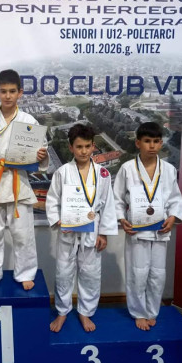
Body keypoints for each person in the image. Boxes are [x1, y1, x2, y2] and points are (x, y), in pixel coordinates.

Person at [0, 69, 49, 292]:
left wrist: (41, 155)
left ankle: (25, 273)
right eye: (3, 91)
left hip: (18, 181)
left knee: (23, 233)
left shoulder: (28, 120)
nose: (8, 96)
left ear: (20, 92)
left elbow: (42, 150)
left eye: (12, 91)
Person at [46, 124, 117, 333]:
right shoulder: (62, 173)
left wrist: (103, 233)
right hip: (68, 231)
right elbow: (52, 201)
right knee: (63, 273)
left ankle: (85, 312)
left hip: (92, 230)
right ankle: (62, 311)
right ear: (71, 147)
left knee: (90, 274)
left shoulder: (103, 174)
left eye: (87, 146)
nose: (84, 151)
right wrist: (58, 221)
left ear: (93, 146)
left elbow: (108, 204)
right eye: (79, 147)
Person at [113, 122, 182, 331]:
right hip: (137, 230)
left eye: (156, 141)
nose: (152, 146)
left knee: (157, 274)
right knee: (137, 272)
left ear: (161, 143)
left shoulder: (168, 170)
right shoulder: (127, 168)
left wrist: (173, 217)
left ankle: (152, 311)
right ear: (138, 143)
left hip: (161, 229)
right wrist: (121, 219)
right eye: (147, 141)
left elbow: (175, 198)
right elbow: (117, 199)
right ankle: (138, 312)